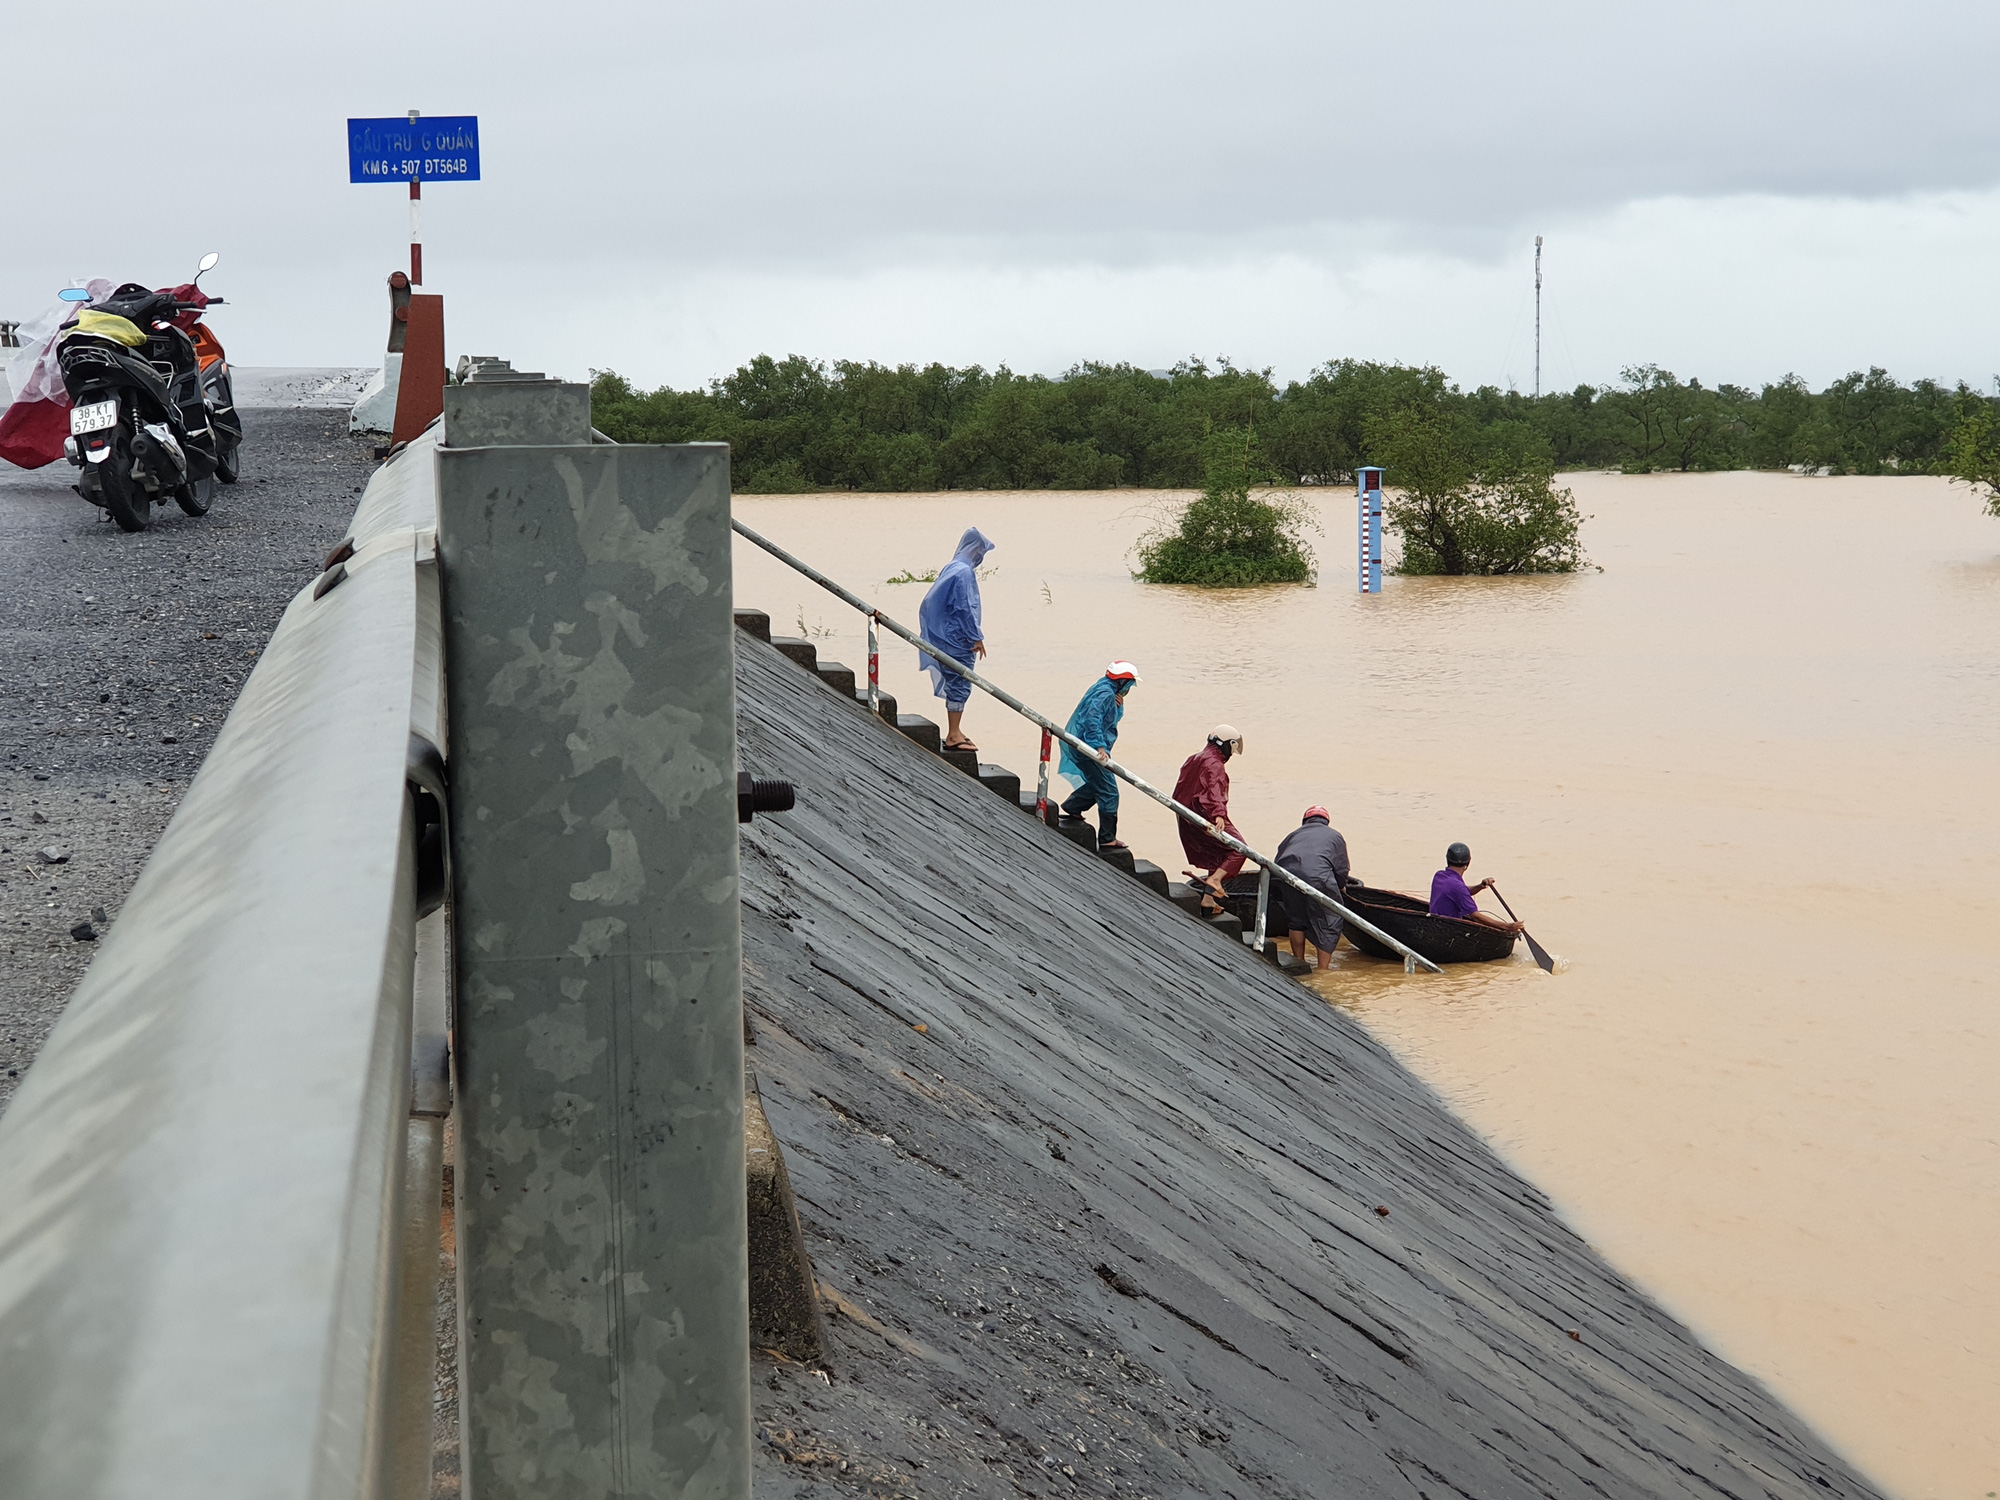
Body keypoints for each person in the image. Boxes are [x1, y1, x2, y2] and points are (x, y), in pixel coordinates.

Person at [917, 527, 995, 752]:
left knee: (957, 682)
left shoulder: (953, 567)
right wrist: (976, 637)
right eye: (980, 550)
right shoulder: (964, 572)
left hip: (945, 634)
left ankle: (955, 731)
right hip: (957, 638)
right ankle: (953, 734)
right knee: (961, 682)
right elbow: (964, 607)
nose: (981, 556)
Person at [1057, 662, 1140, 850]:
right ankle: (1107, 838)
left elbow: (1107, 718)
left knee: (1099, 783)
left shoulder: (1103, 687)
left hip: (1081, 745)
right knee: (1110, 791)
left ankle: (1073, 806)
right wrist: (1099, 746)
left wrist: (1119, 706)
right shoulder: (1106, 694)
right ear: (1122, 681)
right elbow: (1092, 720)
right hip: (1088, 748)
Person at [1173, 725, 1247, 914]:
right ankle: (1215, 881)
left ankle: (1208, 900)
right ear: (1227, 745)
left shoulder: (1194, 758)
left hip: (1188, 818)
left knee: (1217, 854)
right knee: (1239, 848)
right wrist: (1219, 813)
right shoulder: (1214, 764)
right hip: (1205, 814)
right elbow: (1214, 787)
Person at [1274, 806, 1352, 970]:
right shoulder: (1335, 836)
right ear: (1326, 821)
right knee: (1329, 920)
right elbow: (1341, 869)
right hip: (1318, 878)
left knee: (1296, 921)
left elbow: (1278, 859)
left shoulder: (1293, 835)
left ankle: (1299, 963)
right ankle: (1322, 970)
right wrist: (1340, 886)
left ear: (1305, 821)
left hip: (1288, 876)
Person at [1429, 843, 1524, 933]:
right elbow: (1475, 916)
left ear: (1447, 859)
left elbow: (1460, 892)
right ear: (1468, 863)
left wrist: (1480, 886)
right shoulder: (1458, 887)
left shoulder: (1439, 875)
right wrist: (1506, 926)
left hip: (1434, 923)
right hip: (1447, 929)